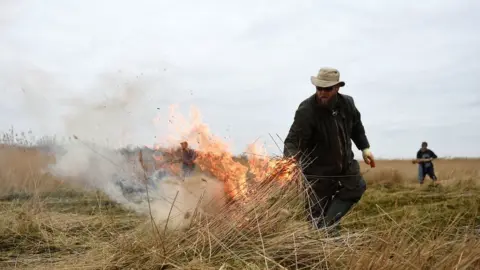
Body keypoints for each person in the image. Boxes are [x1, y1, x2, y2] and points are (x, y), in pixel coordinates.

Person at [283, 67, 375, 235]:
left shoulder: (348, 104)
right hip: (317, 172)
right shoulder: (306, 110)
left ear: (337, 87)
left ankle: (330, 226)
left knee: (356, 187)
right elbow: (293, 141)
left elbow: (356, 127)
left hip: (345, 165)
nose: (322, 93)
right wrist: (289, 163)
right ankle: (326, 241)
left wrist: (365, 148)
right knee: (316, 219)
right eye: (319, 88)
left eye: (328, 89)